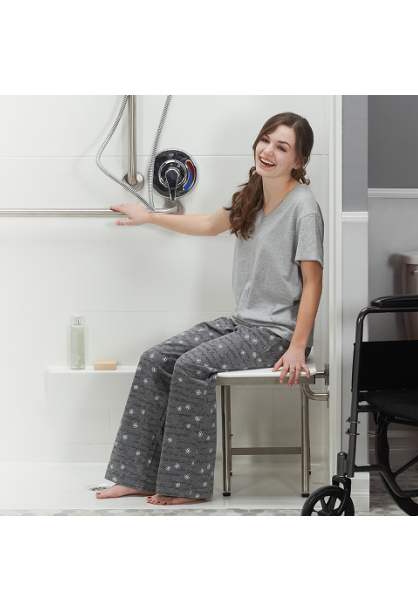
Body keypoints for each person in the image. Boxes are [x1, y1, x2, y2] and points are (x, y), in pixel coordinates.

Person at [96, 112, 324, 506]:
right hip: (241, 323)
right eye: (265, 140)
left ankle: (185, 484)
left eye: (282, 147)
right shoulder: (253, 193)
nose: (268, 151)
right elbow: (207, 225)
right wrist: (149, 216)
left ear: (299, 161)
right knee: (156, 359)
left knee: (190, 366)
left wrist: (298, 346)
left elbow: (313, 282)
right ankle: (137, 476)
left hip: (276, 334)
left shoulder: (303, 206)